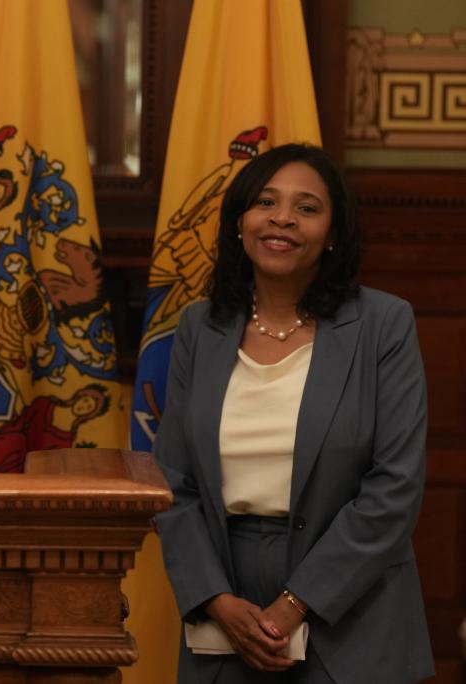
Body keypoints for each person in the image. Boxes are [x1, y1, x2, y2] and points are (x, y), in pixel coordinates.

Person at [154, 143, 433, 683]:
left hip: (352, 613)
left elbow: (394, 488)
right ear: (241, 222)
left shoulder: (383, 324)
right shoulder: (199, 328)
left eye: (307, 207)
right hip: (225, 605)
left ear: (332, 234)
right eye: (266, 201)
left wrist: (294, 605)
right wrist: (214, 599)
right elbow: (174, 481)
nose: (283, 218)